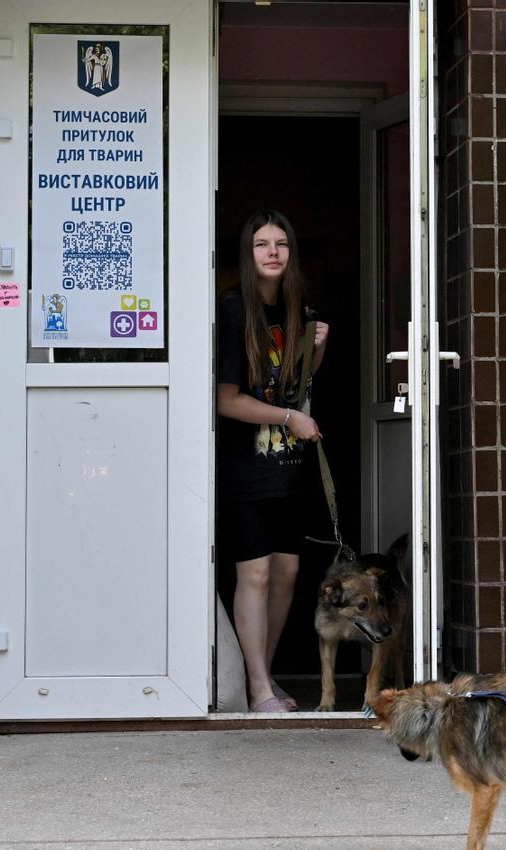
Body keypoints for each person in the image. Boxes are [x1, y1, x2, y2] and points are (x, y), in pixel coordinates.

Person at [216, 210, 329, 712]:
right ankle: (256, 687)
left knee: (286, 572)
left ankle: (266, 676)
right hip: (247, 467)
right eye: (262, 244)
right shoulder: (235, 310)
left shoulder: (297, 310)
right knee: (255, 574)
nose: (273, 252)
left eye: (281, 243)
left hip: (290, 467)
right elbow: (227, 399)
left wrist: (317, 350)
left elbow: (299, 387)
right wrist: (288, 419)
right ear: (248, 253)